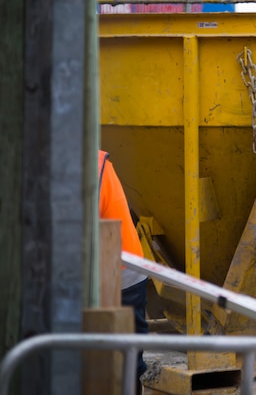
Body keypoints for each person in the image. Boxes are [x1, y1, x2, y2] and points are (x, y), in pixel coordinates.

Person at [98, 150, 149, 389]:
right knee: (127, 362)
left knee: (121, 366)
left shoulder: (89, 167)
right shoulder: (98, 162)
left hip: (119, 276)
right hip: (126, 270)